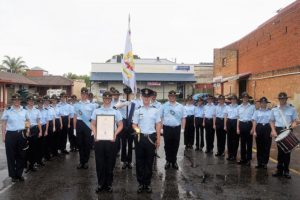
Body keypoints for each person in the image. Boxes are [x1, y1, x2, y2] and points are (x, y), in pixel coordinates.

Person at [90, 91, 123, 193]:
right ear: (103, 99)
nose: (107, 100)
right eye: (105, 98)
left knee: (110, 163)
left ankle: (109, 184)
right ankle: (100, 184)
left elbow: (121, 125)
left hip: (111, 140)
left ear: (111, 99)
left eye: (109, 99)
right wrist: (95, 134)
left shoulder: (116, 111)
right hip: (99, 140)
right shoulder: (96, 111)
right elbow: (92, 124)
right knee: (99, 163)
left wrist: (115, 134)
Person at [132, 88, 161, 193]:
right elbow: (134, 124)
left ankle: (147, 183)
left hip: (151, 138)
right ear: (142, 97)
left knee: (149, 161)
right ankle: (140, 183)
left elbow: (158, 124)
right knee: (139, 161)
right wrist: (137, 130)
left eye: (148, 97)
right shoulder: (138, 110)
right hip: (140, 137)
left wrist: (158, 138)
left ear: (151, 98)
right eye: (144, 96)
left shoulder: (155, 110)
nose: (146, 98)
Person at [1, 94, 30, 182]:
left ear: (20, 101)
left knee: (21, 155)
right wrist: (3, 135)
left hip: (21, 134)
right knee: (11, 155)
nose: (16, 101)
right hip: (10, 134)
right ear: (12, 101)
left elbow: (27, 120)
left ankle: (19, 174)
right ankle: (13, 175)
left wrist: (27, 130)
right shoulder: (8, 110)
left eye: (18, 100)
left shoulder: (24, 110)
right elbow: (4, 123)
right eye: (15, 100)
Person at [270, 92, 299, 179]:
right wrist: (273, 130)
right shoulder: (274, 109)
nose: (282, 100)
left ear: (286, 99)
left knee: (287, 152)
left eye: (283, 98)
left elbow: (296, 120)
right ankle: (279, 170)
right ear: (279, 99)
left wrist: (294, 123)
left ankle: (286, 171)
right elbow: (271, 121)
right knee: (280, 151)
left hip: (288, 130)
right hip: (278, 130)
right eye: (280, 99)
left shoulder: (292, 109)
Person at [161, 90, 186, 170]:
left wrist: (183, 128)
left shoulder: (180, 106)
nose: (172, 97)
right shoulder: (164, 106)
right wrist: (161, 128)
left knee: (175, 145)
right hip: (167, 128)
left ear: (175, 97)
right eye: (170, 96)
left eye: (174, 96)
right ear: (168, 97)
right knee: (167, 145)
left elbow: (183, 118)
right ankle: (168, 161)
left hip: (176, 128)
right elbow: (161, 117)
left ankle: (174, 161)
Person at [74, 87, 96, 169]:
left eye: (85, 94)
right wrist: (74, 129)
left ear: (87, 95)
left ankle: (86, 161)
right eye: (82, 94)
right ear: (81, 94)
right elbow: (75, 117)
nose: (84, 95)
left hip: (88, 124)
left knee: (87, 143)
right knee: (80, 143)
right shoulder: (77, 105)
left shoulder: (92, 105)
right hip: (79, 124)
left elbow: (94, 118)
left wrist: (93, 128)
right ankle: (81, 161)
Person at [252, 97, 272, 169]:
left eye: (264, 103)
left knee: (267, 146)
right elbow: (254, 121)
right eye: (262, 103)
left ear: (266, 103)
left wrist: (272, 130)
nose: (263, 104)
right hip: (259, 128)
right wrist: (254, 131)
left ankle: (265, 163)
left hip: (267, 128)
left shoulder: (270, 111)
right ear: (260, 103)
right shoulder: (256, 112)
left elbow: (272, 122)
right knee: (259, 146)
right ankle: (259, 162)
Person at [237, 92, 255, 166]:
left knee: (249, 143)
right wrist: (237, 128)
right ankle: (243, 159)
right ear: (242, 98)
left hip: (249, 125)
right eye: (244, 98)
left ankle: (248, 159)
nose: (245, 99)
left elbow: (254, 119)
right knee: (242, 143)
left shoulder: (252, 107)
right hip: (241, 125)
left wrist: (253, 129)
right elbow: (238, 118)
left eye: (246, 98)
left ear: (248, 98)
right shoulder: (239, 107)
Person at [25, 96, 42, 172]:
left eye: (32, 101)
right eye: (29, 101)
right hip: (26, 129)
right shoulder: (24, 110)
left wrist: (40, 131)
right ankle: (27, 165)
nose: (31, 102)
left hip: (35, 129)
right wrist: (27, 130)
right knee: (27, 148)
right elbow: (25, 121)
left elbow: (38, 122)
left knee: (34, 147)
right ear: (27, 101)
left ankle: (32, 164)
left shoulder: (37, 110)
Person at [224, 94, 239, 161]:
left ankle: (234, 155)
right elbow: (225, 116)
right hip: (229, 122)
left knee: (235, 139)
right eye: (232, 99)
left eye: (234, 99)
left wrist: (238, 127)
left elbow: (239, 117)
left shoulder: (239, 107)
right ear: (231, 100)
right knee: (229, 139)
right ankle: (230, 155)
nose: (233, 100)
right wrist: (225, 125)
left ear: (236, 100)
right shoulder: (227, 107)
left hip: (235, 122)